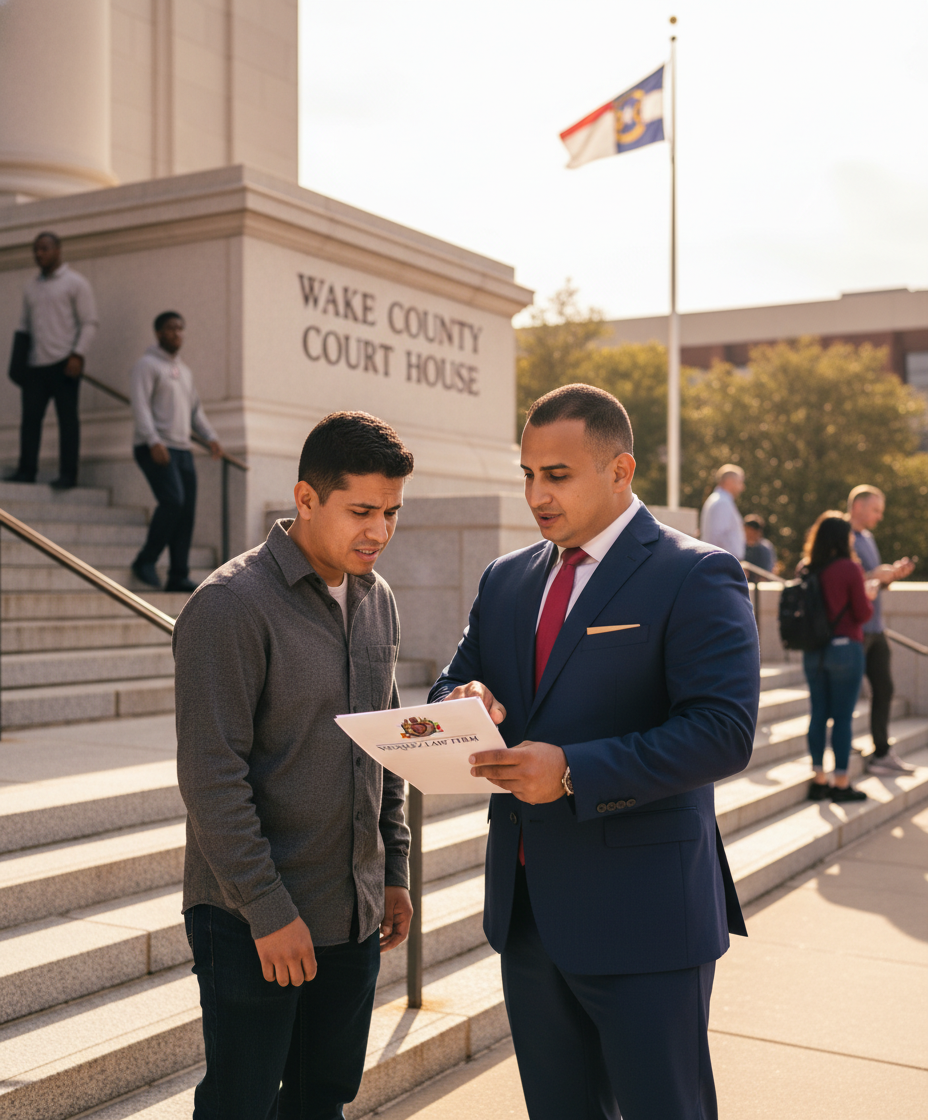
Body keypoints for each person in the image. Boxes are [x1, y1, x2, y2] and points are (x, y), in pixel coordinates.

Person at [429, 384, 760, 1120]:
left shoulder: (696, 572)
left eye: (557, 474)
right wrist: (462, 700)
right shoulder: (506, 578)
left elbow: (723, 730)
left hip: (644, 917)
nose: (536, 494)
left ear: (620, 472)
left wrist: (576, 771)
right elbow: (450, 681)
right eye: (527, 474)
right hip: (526, 914)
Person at [173, 411, 415, 1120]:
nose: (379, 531)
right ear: (306, 499)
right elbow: (212, 780)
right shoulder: (229, 605)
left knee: (322, 1102)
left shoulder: (379, 600)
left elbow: (387, 745)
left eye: (392, 513)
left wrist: (393, 873)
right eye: (361, 511)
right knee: (240, 1107)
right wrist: (269, 912)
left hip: (353, 913)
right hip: (251, 919)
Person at [130, 311, 222, 592]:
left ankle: (178, 574)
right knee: (173, 502)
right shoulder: (146, 365)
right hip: (155, 447)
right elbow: (140, 405)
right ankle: (145, 561)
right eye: (171, 329)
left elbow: (196, 412)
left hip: (182, 450)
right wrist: (153, 440)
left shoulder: (185, 371)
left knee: (186, 512)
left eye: (181, 328)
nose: (177, 333)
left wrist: (210, 437)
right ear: (158, 333)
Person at [6, 231, 98, 490]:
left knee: (67, 421)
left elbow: (90, 322)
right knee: (30, 420)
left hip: (65, 363)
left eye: (45, 248)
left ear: (58, 249)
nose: (39, 254)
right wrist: (19, 363)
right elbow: (24, 325)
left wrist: (78, 354)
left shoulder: (75, 283)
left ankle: (68, 474)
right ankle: (27, 470)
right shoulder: (31, 287)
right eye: (36, 249)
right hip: (36, 365)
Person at [798, 511, 878, 803]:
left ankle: (818, 779)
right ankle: (841, 782)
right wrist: (868, 595)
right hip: (846, 649)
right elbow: (862, 614)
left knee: (818, 714)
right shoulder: (849, 568)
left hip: (814, 651)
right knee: (842, 718)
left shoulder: (806, 568)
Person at [848, 485, 917, 776]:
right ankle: (844, 743)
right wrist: (874, 575)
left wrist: (891, 576)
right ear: (859, 506)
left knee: (884, 689)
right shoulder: (843, 536)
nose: (879, 517)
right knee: (849, 691)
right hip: (855, 628)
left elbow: (872, 583)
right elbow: (844, 582)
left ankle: (881, 752)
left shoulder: (868, 537)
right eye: (875, 510)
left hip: (876, 627)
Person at [700, 463, 746, 558]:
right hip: (723, 562)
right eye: (739, 482)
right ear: (729, 481)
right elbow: (718, 537)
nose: (742, 488)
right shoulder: (722, 502)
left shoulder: (720, 500)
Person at [743, 513, 776, 577]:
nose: (750, 534)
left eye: (752, 531)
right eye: (747, 530)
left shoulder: (765, 548)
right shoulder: (740, 546)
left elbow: (767, 572)